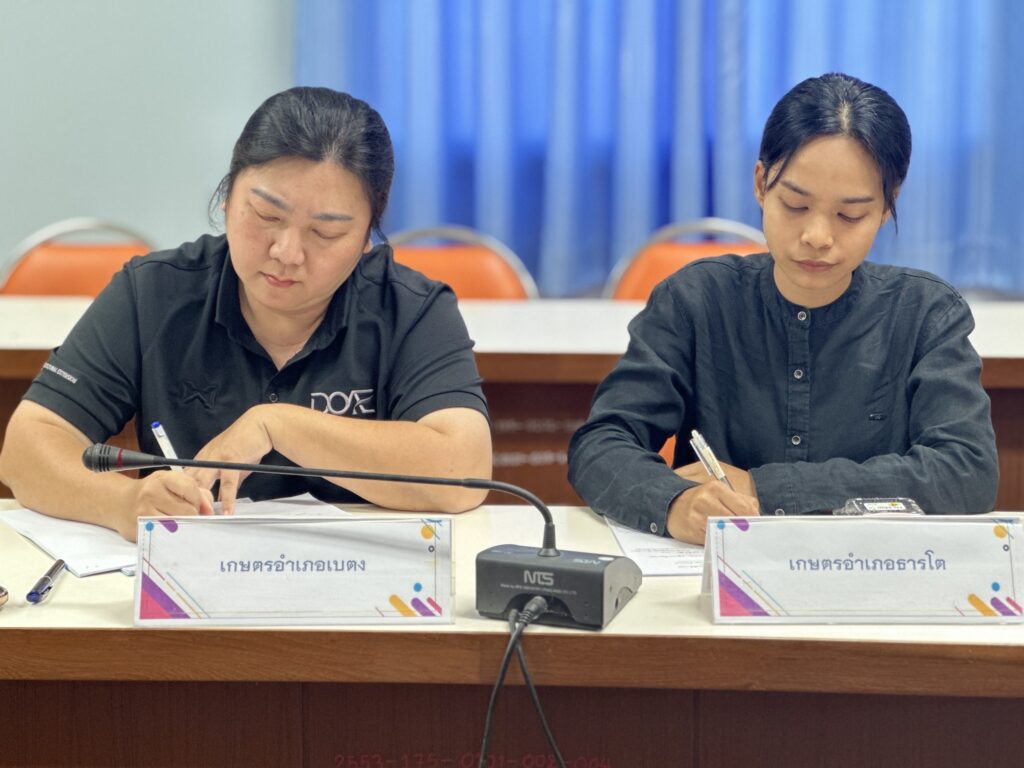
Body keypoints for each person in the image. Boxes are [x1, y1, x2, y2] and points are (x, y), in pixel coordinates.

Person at [0, 87, 492, 541]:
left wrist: (278, 425)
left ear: (367, 239)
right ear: (226, 198)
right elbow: (26, 449)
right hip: (187, 583)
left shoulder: (412, 308)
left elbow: (464, 470)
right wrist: (122, 502)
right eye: (267, 216)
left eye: (325, 233)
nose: (287, 252)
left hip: (362, 587)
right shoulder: (152, 292)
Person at [568, 73, 998, 545]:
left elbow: (966, 471)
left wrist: (766, 488)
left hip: (873, 568)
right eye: (795, 205)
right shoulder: (696, 299)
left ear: (886, 206)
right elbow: (601, 445)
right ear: (761, 184)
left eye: (850, 215)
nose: (817, 236)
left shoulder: (925, 313)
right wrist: (674, 504)